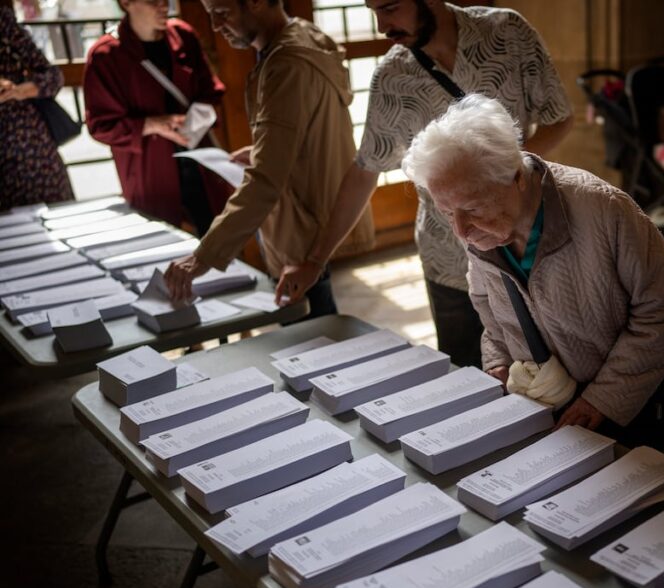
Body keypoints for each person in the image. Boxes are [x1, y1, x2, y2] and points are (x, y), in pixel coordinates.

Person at [403, 95, 664, 449]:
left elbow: (663, 306)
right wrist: (498, 360)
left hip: (633, 400)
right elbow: (486, 301)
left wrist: (602, 399)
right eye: (447, 212)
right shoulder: (478, 226)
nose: (461, 232)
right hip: (552, 400)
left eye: (472, 208)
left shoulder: (605, 210)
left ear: (517, 177)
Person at [301, 0, 573, 367]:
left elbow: (559, 118)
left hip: (525, 244)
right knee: (470, 375)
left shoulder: (507, 31)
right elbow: (366, 169)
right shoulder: (392, 77)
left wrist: (504, 175)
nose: (383, 26)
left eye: (390, 8)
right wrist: (315, 258)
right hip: (448, 255)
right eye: (373, 11)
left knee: (548, 372)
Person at [163, 0, 373, 318]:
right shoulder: (304, 34)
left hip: (300, 223)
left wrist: (203, 256)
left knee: (312, 335)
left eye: (222, 14)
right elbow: (309, 126)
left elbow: (265, 180)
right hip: (313, 210)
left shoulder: (285, 63)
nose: (217, 27)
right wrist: (264, 148)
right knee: (318, 320)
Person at [83, 0, 230, 234]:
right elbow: (100, 125)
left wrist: (196, 120)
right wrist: (153, 125)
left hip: (199, 164)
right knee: (163, 244)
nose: (164, 6)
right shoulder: (106, 55)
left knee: (219, 239)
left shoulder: (184, 35)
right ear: (126, 2)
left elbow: (211, 91)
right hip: (149, 172)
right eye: (153, 0)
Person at [0, 0, 74, 210]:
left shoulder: (3, 22)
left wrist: (18, 91)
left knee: (56, 218)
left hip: (25, 145)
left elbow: (53, 76)